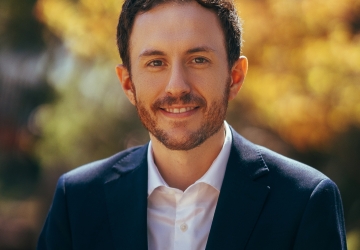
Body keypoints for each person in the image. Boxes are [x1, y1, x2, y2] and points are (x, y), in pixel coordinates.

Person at [37, 0, 347, 249]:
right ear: (128, 83)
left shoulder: (305, 202)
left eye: (198, 60)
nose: (176, 86)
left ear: (234, 77)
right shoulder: (76, 201)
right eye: (156, 63)